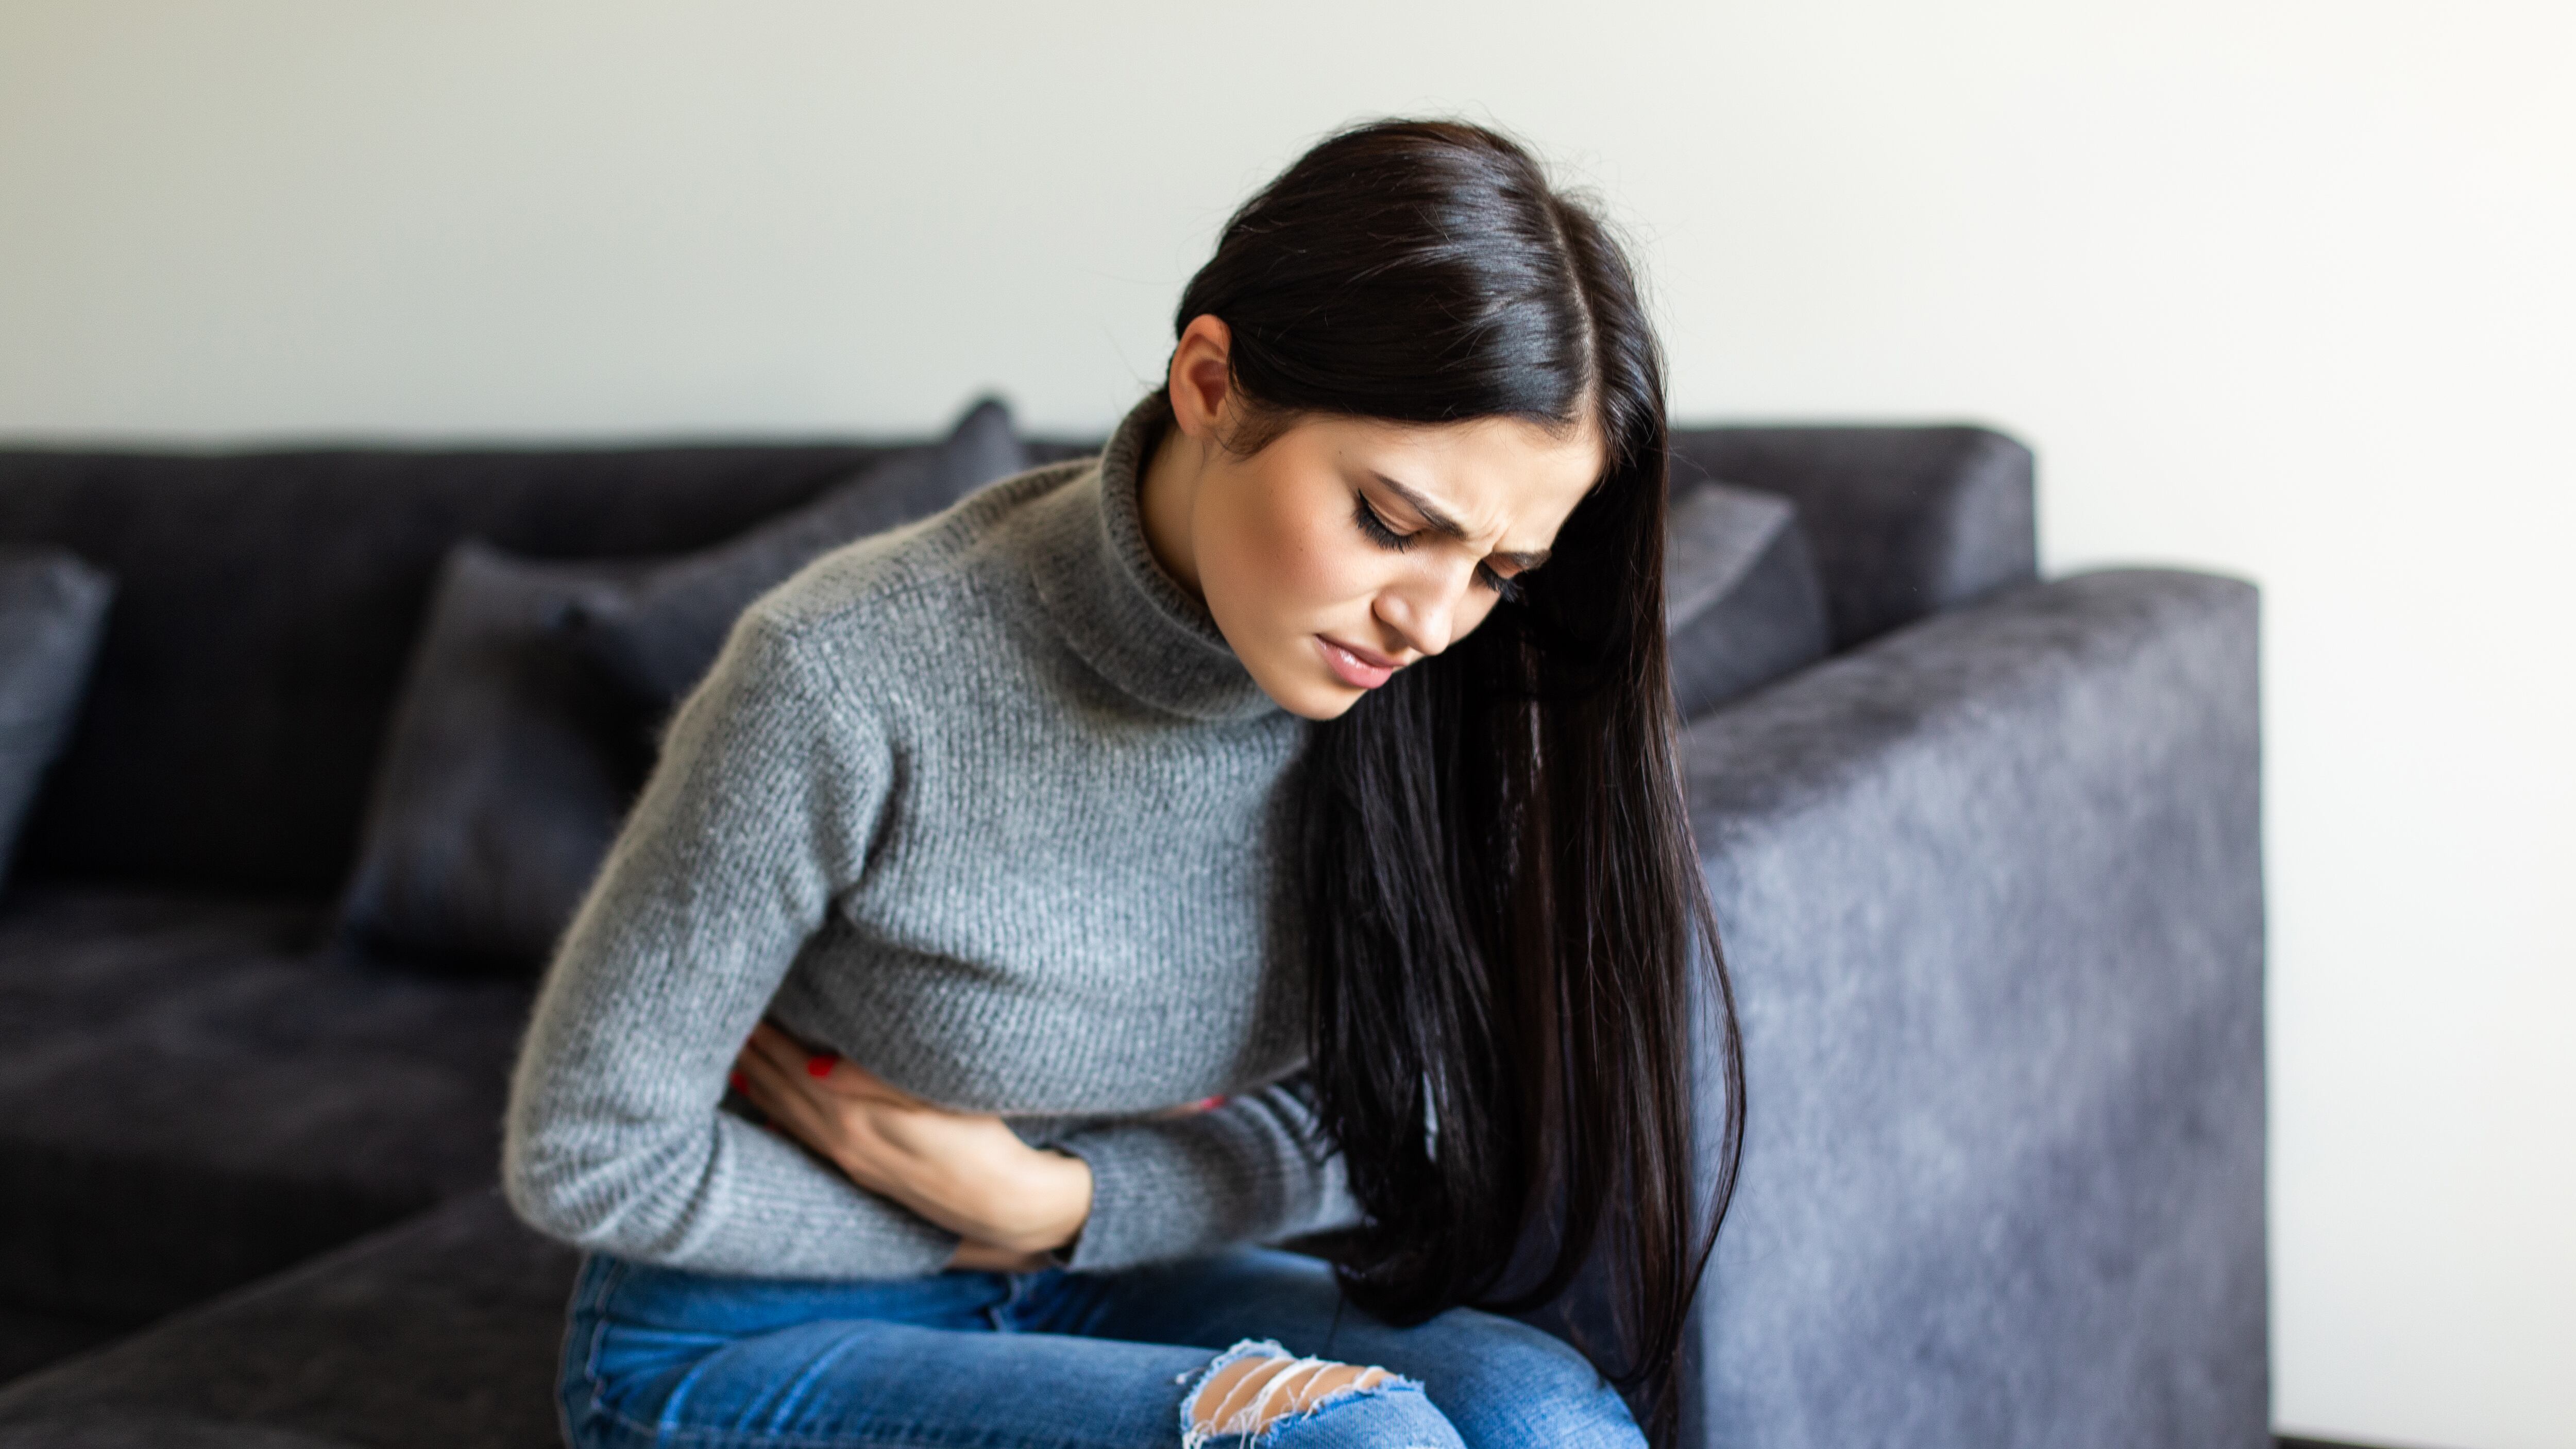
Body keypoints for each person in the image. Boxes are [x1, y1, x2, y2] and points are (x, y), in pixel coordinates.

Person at [502, 117, 1744, 1449]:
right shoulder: (844, 675)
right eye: (1392, 522)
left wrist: (1059, 1210)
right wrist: (968, 1222)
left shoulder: (1434, 701)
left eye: (1499, 571)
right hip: (739, 1332)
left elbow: (1398, 1110)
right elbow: (587, 1151)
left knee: (1548, 1419)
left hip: (1095, 1272)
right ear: (1211, 383)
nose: (1432, 621)